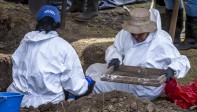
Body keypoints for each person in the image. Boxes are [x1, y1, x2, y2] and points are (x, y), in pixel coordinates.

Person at [85, 8, 190, 100]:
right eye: (133, 33)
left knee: (94, 83)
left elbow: (182, 60)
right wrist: (114, 58)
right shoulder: (125, 33)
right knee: (93, 68)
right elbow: (115, 48)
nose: (136, 36)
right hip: (124, 73)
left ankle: (86, 96)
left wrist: (172, 70)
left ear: (148, 29)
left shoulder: (160, 41)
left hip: (144, 87)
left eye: (140, 34)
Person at [7, 5, 94, 108]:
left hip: (17, 101)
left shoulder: (25, 41)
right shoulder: (64, 47)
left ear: (38, 21)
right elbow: (76, 86)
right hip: (49, 105)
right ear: (57, 24)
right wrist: (86, 84)